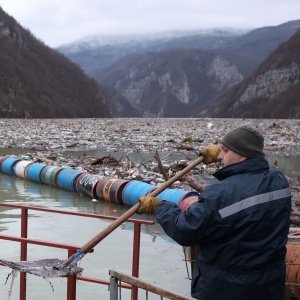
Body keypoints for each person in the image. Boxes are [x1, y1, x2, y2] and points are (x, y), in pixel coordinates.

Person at [138, 126, 291, 300]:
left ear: (242, 154)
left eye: (224, 151)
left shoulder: (221, 193)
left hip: (226, 289)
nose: (219, 156)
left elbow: (187, 230)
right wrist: (225, 149)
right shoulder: (279, 180)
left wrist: (160, 207)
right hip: (268, 286)